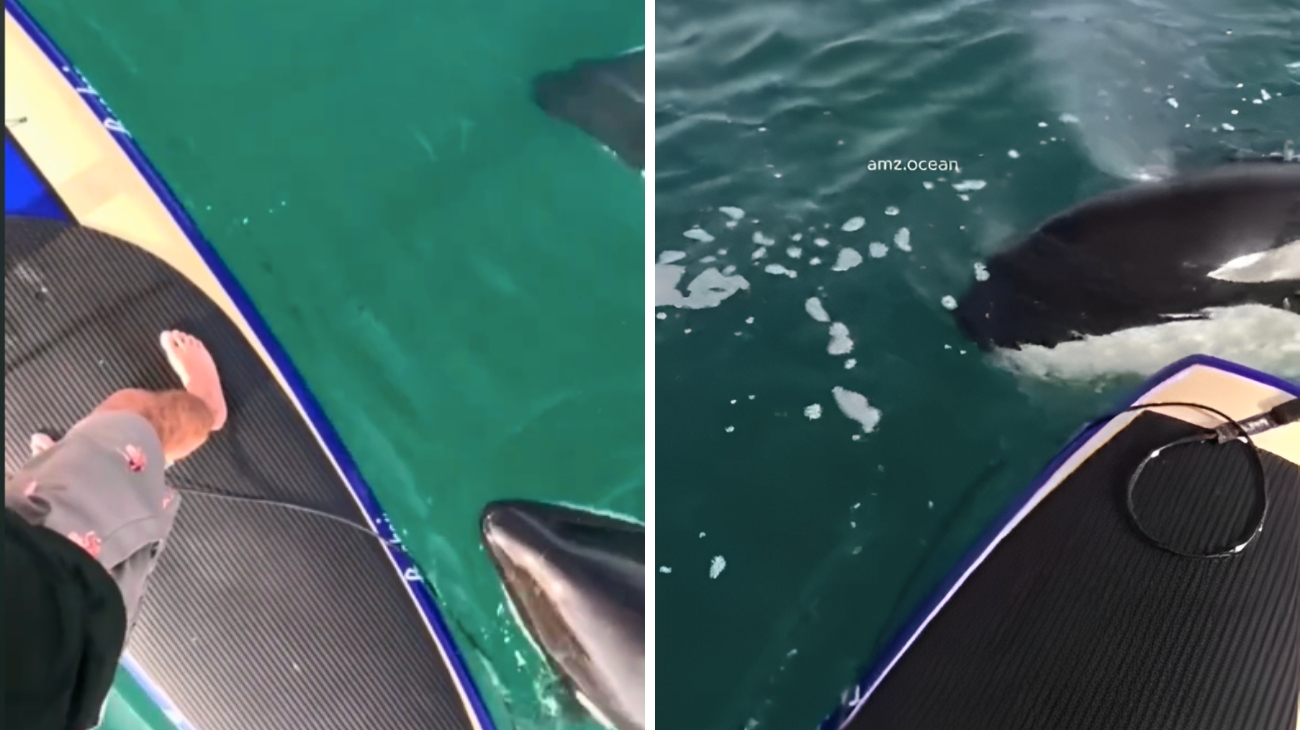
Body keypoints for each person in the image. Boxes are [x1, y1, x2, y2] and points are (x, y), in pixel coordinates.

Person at [5, 330, 227, 730]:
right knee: (132, 416)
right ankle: (206, 410)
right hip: (52, 573)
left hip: (77, 671)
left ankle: (81, 466)